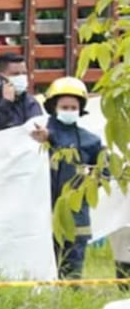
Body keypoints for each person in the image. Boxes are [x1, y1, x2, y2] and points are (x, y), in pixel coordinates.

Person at [29, 76, 103, 279]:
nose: (69, 111)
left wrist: (93, 179)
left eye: (73, 107)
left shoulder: (91, 140)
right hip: (42, 211)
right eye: (64, 106)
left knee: (72, 266)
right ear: (53, 107)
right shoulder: (36, 134)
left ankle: (72, 297)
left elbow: (106, 169)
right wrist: (47, 138)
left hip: (76, 213)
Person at [0, 52, 43, 134]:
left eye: (24, 73)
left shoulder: (30, 102)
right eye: (15, 74)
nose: (21, 77)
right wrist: (6, 103)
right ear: (2, 78)